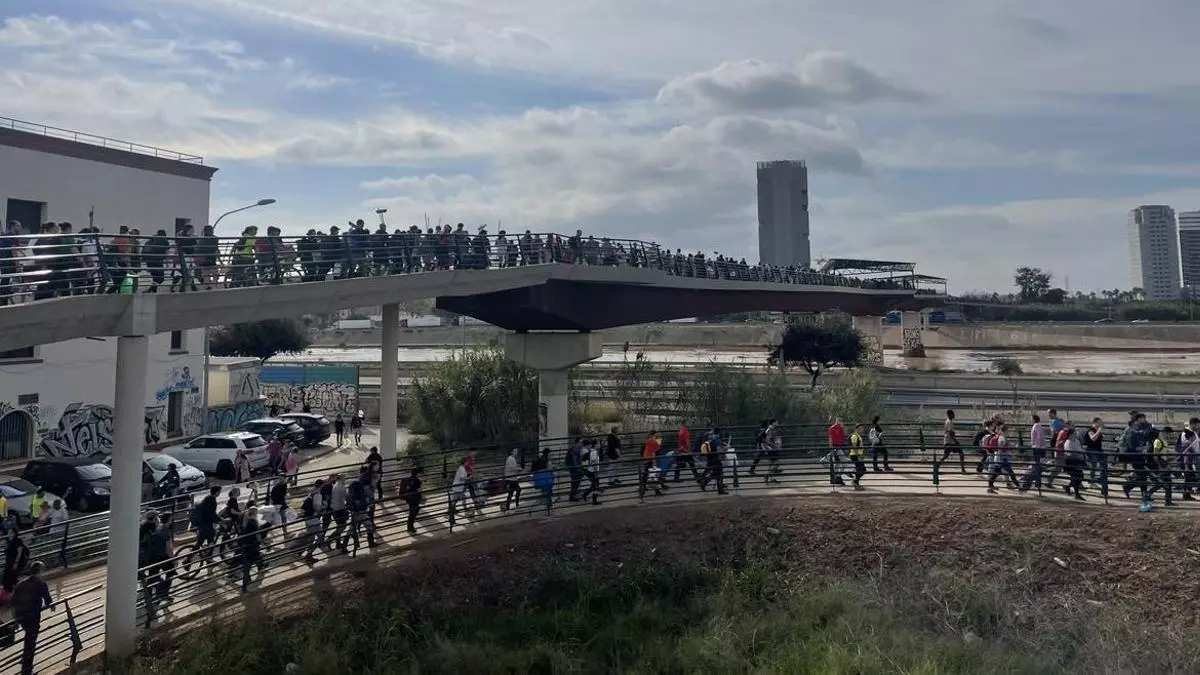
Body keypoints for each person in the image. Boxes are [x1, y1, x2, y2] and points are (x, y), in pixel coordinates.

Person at [11, 560, 53, 675]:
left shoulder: (21, 583)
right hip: (32, 615)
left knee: (28, 638)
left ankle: (25, 660)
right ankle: (27, 668)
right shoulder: (40, 583)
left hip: (21, 615)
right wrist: (50, 605)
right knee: (31, 641)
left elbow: (13, 603)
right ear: (40, 571)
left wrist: (15, 620)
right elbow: (48, 599)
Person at [3, 525, 30, 593]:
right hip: (9, 562)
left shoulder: (17, 540)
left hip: (14, 562)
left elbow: (19, 552)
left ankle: (17, 592)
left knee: (12, 578)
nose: (9, 533)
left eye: (10, 532)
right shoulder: (9, 541)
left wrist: (16, 563)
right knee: (9, 578)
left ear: (14, 533)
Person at [940, 409, 965, 474]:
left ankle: (937, 465)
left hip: (947, 440)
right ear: (949, 414)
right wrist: (956, 441)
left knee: (946, 455)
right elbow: (950, 433)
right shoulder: (950, 422)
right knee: (961, 453)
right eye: (952, 414)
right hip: (951, 441)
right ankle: (962, 469)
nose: (954, 415)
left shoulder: (947, 421)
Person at [401, 467, 424, 535]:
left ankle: (410, 526)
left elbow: (409, 488)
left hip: (409, 498)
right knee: (413, 512)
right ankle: (410, 527)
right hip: (414, 498)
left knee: (413, 511)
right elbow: (418, 490)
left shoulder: (410, 479)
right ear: (418, 473)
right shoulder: (417, 480)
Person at [848, 424, 867, 489]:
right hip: (855, 455)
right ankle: (855, 481)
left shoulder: (858, 436)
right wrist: (859, 455)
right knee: (862, 470)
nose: (862, 430)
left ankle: (856, 484)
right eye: (860, 428)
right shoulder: (854, 436)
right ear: (856, 429)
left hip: (857, 455)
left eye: (862, 428)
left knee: (860, 470)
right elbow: (854, 447)